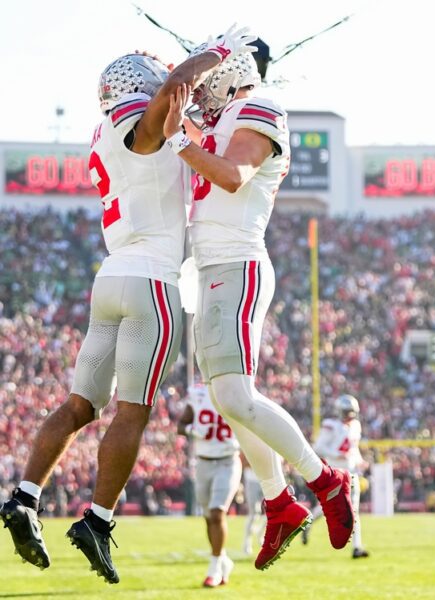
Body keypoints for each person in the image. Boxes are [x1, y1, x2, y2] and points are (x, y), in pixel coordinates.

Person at [0, 26, 257, 584]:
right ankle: (97, 518)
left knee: (79, 406)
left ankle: (24, 495)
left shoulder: (103, 130)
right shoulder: (140, 128)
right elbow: (174, 92)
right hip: (151, 284)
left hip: (110, 278)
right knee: (132, 411)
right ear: (145, 84)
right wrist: (217, 54)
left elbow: (177, 114)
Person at [162, 49, 355, 571]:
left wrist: (180, 137)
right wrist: (175, 106)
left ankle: (323, 481)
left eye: (206, 80)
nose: (200, 90)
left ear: (231, 75)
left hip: (238, 262)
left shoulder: (262, 105)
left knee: (236, 394)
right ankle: (279, 501)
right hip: (213, 269)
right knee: (228, 398)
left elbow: (232, 175)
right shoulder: (225, 117)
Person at [177, 381, 241, 588]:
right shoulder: (197, 394)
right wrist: (195, 431)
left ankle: (213, 568)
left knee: (217, 512)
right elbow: (181, 425)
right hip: (203, 462)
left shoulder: (236, 391)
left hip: (228, 460)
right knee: (208, 517)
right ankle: (223, 560)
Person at [303, 394, 369, 558]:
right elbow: (318, 448)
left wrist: (360, 461)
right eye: (347, 412)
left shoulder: (355, 426)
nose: (350, 416)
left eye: (352, 412)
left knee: (353, 509)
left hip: (351, 472)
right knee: (330, 508)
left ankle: (357, 547)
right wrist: (338, 454)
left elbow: (354, 449)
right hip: (335, 473)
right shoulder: (330, 425)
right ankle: (308, 523)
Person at [241, 453, 266, 556]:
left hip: (267, 478)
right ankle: (247, 541)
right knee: (254, 512)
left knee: (272, 510)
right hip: (252, 478)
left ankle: (261, 534)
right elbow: (243, 461)